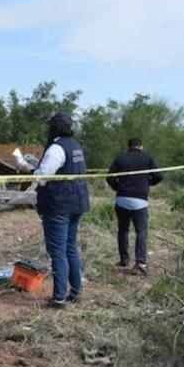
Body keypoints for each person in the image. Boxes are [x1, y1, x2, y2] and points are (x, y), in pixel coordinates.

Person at [15, 112, 90, 307]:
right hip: (77, 203)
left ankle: (58, 297)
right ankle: (75, 291)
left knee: (58, 251)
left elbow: (42, 177)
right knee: (70, 248)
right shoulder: (76, 145)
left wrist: (26, 167)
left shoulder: (56, 148)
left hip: (59, 204)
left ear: (53, 128)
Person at [106, 138, 162, 275]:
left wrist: (117, 188)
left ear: (129, 146)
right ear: (141, 146)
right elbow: (159, 176)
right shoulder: (147, 158)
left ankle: (124, 260)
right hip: (140, 201)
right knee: (141, 232)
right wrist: (149, 183)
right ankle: (140, 263)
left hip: (122, 199)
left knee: (123, 230)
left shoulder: (121, 157)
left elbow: (109, 177)